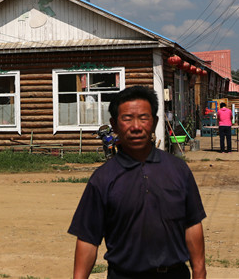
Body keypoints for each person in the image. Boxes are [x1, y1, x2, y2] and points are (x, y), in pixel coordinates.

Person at [68, 86, 206, 279]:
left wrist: (199, 272)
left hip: (174, 274)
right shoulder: (103, 179)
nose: (136, 126)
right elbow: (88, 239)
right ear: (114, 125)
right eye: (127, 119)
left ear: (154, 122)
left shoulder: (178, 170)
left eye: (143, 117)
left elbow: (192, 224)